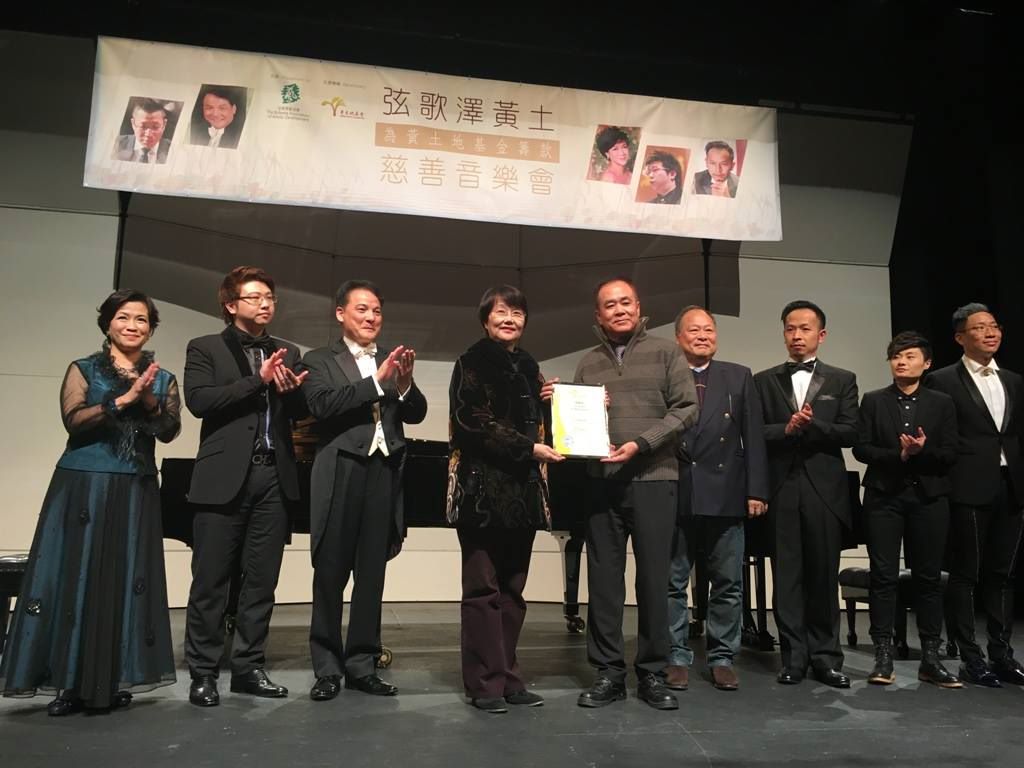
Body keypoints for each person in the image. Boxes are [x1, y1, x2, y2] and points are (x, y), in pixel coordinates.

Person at [0, 290, 180, 715]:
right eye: (124, 317)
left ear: (151, 328)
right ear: (108, 324)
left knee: (124, 580)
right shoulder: (84, 369)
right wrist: (122, 400)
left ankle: (111, 680)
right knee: (74, 577)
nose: (133, 325)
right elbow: (74, 420)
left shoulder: (162, 378)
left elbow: (170, 430)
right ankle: (67, 683)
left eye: (142, 319)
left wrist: (148, 399)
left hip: (135, 487)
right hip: (84, 483)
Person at [542, 277, 697, 710]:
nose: (619, 310)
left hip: (655, 479)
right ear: (598, 315)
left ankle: (652, 673)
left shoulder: (667, 352)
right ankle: (609, 672)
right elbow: (577, 427)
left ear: (638, 306)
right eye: (609, 305)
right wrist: (559, 403)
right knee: (604, 582)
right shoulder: (588, 363)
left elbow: (687, 409)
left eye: (625, 302)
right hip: (602, 483)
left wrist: (641, 444)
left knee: (654, 580)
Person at [183, 266, 308, 707]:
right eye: (255, 297)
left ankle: (249, 667)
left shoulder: (289, 351)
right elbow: (199, 401)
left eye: (270, 297)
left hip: (274, 475)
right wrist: (258, 380)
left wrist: (292, 391)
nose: (265, 303)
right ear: (231, 304)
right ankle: (203, 673)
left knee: (261, 580)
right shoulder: (205, 347)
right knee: (211, 581)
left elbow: (301, 412)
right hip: (223, 478)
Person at [304, 280, 427, 701]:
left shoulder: (392, 358)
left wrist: (405, 384)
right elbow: (322, 405)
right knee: (330, 572)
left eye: (376, 310)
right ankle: (326, 667)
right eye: (362, 309)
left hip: (383, 470)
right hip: (341, 470)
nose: (371, 317)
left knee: (372, 573)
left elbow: (416, 413)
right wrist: (377, 381)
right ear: (341, 313)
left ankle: (362, 664)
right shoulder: (319, 359)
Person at [446, 285, 565, 713]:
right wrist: (527, 448)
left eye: (517, 312)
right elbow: (471, 422)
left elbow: (540, 429)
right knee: (483, 589)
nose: (509, 319)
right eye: (501, 312)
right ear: (485, 320)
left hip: (523, 494)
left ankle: (509, 677)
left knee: (514, 590)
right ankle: (484, 683)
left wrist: (554, 405)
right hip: (481, 492)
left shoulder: (530, 367)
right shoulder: (470, 362)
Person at [754, 300, 858, 687]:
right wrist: (786, 428)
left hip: (824, 490)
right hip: (781, 487)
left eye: (805, 329)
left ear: (821, 335)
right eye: (790, 329)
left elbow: (851, 432)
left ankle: (826, 658)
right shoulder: (763, 380)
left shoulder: (842, 379)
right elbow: (754, 433)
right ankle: (793, 657)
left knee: (822, 575)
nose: (797, 336)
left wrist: (813, 427)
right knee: (787, 577)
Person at [665, 306, 768, 692]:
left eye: (709, 330)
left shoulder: (738, 375)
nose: (703, 336)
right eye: (694, 330)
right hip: (676, 489)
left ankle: (723, 656)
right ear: (678, 337)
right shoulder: (666, 373)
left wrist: (756, 490)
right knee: (672, 581)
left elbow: (753, 436)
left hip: (725, 491)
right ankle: (676, 655)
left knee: (727, 581)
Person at [853, 331, 961, 687]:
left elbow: (951, 453)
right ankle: (882, 655)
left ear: (926, 363)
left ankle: (930, 656)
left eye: (909, 356)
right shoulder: (873, 400)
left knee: (928, 578)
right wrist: (898, 455)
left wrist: (921, 452)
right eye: (896, 356)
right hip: (884, 496)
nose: (901, 362)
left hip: (929, 497)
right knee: (883, 576)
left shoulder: (942, 403)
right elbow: (861, 448)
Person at [927, 303, 1024, 687]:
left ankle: (1002, 654)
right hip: (967, 486)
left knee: (1003, 574)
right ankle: (970, 657)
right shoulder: (942, 381)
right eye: (980, 327)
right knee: (967, 574)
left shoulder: (1014, 381)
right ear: (960, 337)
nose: (990, 332)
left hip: (1011, 486)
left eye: (994, 326)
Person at [113, 99, 173, 164]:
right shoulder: (116, 145)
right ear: (133, 124)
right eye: (143, 127)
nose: (148, 134)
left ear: (164, 125)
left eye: (155, 127)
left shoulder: (174, 150)